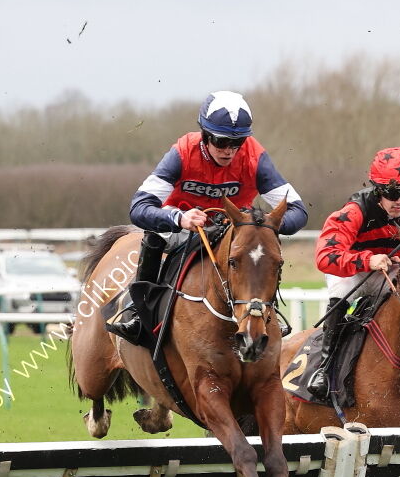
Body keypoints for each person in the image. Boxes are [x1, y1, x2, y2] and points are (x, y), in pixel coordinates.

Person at [109, 90, 308, 343]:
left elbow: (299, 211)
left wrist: (265, 226)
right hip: (185, 224)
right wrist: (179, 219)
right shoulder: (181, 153)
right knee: (156, 233)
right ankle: (138, 312)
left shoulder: (255, 157)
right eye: (221, 142)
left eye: (237, 143)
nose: (229, 151)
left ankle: (267, 313)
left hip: (231, 229)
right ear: (204, 136)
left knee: (259, 249)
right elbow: (139, 207)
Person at [305, 147, 400, 399]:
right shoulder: (355, 211)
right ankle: (324, 369)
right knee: (339, 297)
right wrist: (367, 260)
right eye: (392, 193)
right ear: (377, 189)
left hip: (390, 273)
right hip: (352, 271)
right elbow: (325, 257)